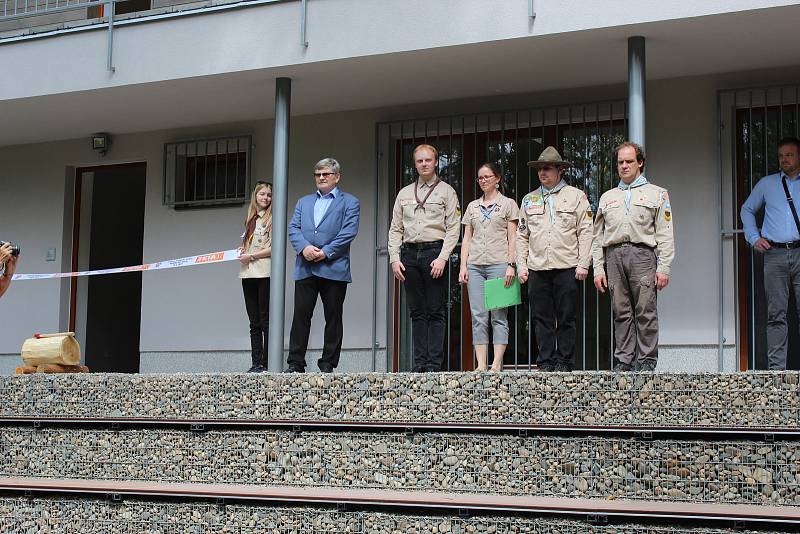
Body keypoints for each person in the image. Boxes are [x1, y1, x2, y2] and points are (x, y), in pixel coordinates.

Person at [593, 141, 674, 372]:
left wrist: (664, 267)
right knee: (621, 311)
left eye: (629, 161)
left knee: (645, 310)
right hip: (614, 256)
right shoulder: (608, 197)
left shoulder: (657, 193)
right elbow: (597, 236)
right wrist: (598, 269)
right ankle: (624, 360)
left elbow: (665, 233)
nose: (624, 166)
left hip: (642, 255)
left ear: (640, 163)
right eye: (620, 162)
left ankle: (647, 360)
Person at [516, 147, 593, 372]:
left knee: (566, 316)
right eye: (539, 169)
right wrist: (521, 265)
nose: (542, 173)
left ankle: (565, 361)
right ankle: (546, 361)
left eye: (547, 168)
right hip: (537, 267)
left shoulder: (576, 196)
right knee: (541, 318)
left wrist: (583, 263)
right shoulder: (529, 199)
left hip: (566, 265)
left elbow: (586, 231)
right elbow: (522, 235)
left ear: (560, 170)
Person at [388, 144, 460, 372]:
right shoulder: (404, 193)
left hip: (433, 252)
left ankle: (434, 364)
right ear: (415, 164)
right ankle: (420, 363)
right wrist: (394, 257)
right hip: (409, 254)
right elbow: (395, 229)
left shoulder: (447, 191)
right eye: (420, 161)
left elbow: (453, 228)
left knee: (435, 310)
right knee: (417, 311)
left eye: (428, 160)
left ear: (436, 162)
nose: (424, 164)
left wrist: (443, 258)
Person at [287, 158, 360, 373]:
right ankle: (295, 363)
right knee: (300, 315)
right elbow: (293, 228)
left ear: (337, 177)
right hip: (305, 266)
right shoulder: (303, 202)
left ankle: (328, 364)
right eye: (317, 174)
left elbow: (349, 232)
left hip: (334, 267)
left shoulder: (350, 202)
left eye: (326, 174)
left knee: (333, 317)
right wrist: (304, 248)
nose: (321, 178)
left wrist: (325, 252)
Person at [741, 136, 800, 370]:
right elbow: (746, 209)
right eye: (781, 156)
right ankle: (777, 371)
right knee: (776, 314)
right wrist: (754, 237)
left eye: (789, 155)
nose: (784, 159)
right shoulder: (767, 183)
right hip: (774, 255)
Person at [458, 163, 519, 371]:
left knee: (499, 315)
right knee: (478, 315)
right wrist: (463, 266)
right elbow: (466, 239)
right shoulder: (472, 207)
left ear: (497, 178)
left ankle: (496, 364)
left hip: (499, 263)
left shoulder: (508, 204)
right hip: (475, 265)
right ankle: (481, 364)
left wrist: (512, 265)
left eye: (487, 177)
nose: (483, 181)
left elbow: (513, 238)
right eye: (480, 178)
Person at [239, 181, 273, 373]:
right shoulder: (250, 219)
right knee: (254, 322)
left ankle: (267, 362)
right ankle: (256, 362)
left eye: (269, 195)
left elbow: (273, 247)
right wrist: (243, 251)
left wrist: (251, 255)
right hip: (248, 273)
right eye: (262, 194)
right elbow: (250, 245)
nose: (265, 198)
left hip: (264, 273)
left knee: (265, 320)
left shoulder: (271, 218)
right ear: (255, 196)